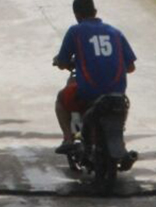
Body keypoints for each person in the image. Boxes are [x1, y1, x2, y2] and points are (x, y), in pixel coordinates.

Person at [53, 0, 137, 154]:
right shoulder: (116, 32)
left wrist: (61, 62)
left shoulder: (75, 31)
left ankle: (68, 138)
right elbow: (131, 67)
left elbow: (62, 62)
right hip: (117, 93)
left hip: (89, 92)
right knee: (120, 110)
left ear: (76, 15)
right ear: (95, 11)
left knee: (61, 100)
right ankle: (118, 139)